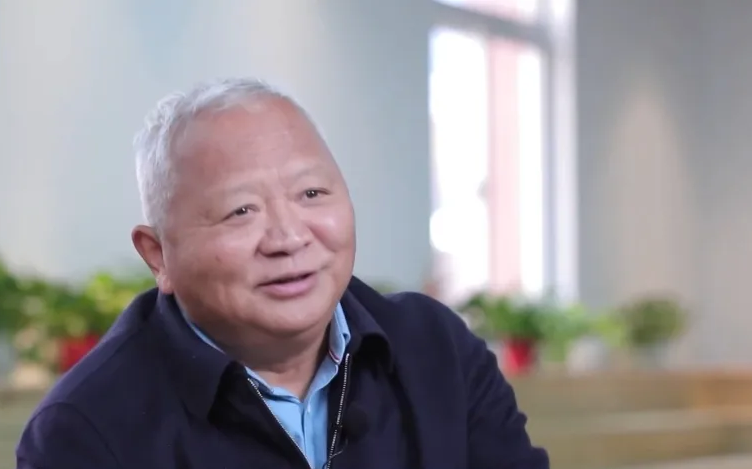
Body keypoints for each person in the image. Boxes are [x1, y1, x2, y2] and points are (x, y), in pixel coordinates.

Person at [16, 78, 549, 469]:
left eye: (312, 193)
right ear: (159, 256)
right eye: (240, 211)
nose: (289, 237)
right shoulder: (85, 429)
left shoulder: (437, 351)